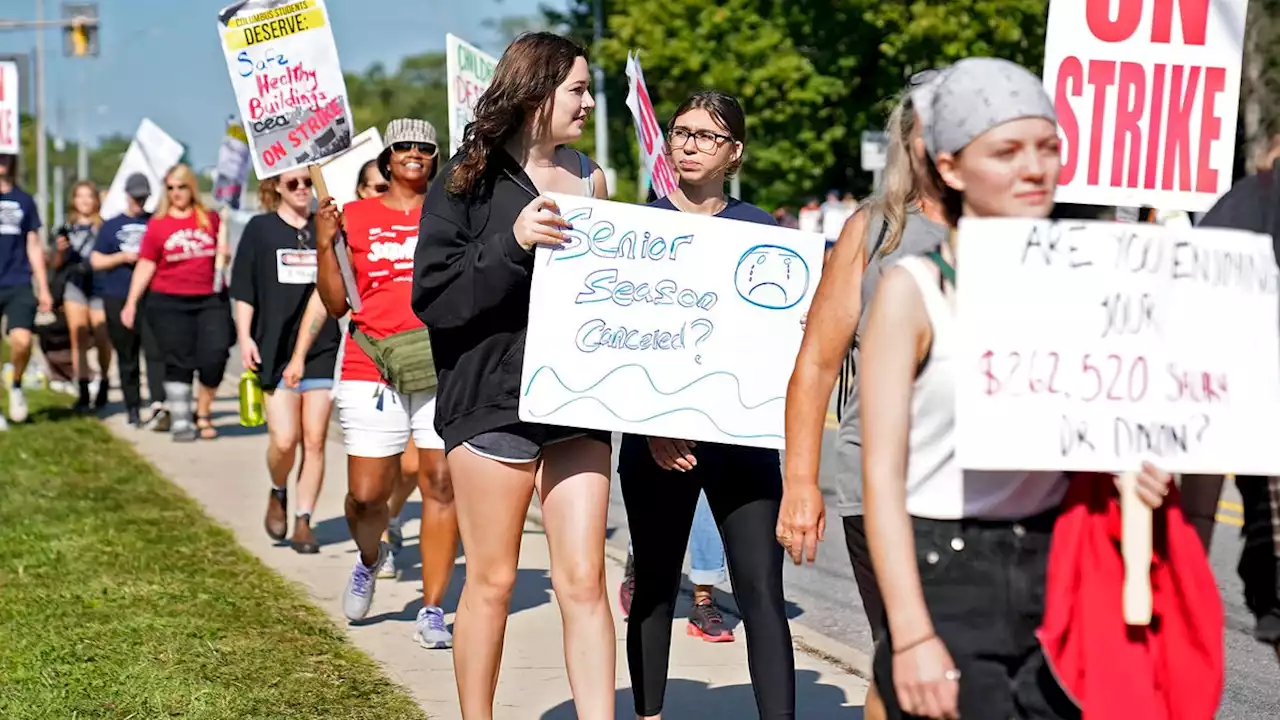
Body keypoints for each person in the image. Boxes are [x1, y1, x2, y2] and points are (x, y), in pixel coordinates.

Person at [854, 57, 1184, 720]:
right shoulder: (911, 291)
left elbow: (1095, 427)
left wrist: (1136, 469)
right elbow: (881, 481)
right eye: (1005, 151)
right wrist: (912, 633)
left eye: (1048, 148)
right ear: (949, 167)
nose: (1033, 168)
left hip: (1063, 575)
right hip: (947, 572)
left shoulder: (1088, 284)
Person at [412, 32, 614, 719]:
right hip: (492, 401)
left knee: (584, 580)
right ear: (536, 94)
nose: (590, 102)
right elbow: (436, 297)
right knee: (493, 581)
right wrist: (513, 242)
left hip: (577, 402)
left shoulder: (593, 177)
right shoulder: (466, 178)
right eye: (578, 89)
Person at [778, 69, 950, 720]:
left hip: (980, 483)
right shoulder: (872, 230)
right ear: (908, 138)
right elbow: (817, 364)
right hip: (880, 480)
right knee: (905, 648)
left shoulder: (1011, 230)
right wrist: (800, 483)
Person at [618, 89, 795, 719]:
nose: (691, 145)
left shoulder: (761, 231)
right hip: (656, 447)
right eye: (682, 132)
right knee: (656, 591)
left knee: (760, 594)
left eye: (708, 136)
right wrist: (649, 430)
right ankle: (649, 712)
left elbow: (773, 344)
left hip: (741, 445)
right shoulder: (636, 230)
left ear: (734, 152)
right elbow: (621, 347)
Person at [314, 118, 457, 650]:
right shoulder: (352, 215)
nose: (414, 154)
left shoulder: (451, 213)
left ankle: (434, 607)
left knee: (440, 484)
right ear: (387, 157)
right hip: (370, 363)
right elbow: (334, 304)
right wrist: (325, 243)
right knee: (365, 495)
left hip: (441, 364)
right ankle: (370, 559)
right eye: (405, 147)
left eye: (425, 147)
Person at [231, 167, 341, 554]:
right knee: (284, 439)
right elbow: (243, 289)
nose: (300, 189)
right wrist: (245, 337)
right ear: (275, 185)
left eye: (307, 182)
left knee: (314, 439)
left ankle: (303, 521)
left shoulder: (324, 227)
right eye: (292, 183)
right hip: (273, 348)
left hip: (320, 348)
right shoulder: (259, 230)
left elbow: (333, 288)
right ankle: (278, 489)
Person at [121, 163, 231, 443]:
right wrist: (131, 302)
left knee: (215, 355)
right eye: (170, 188)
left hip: (210, 298)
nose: (176, 193)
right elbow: (146, 264)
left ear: (191, 187)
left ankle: (203, 412)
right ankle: (182, 418)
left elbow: (221, 255)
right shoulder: (158, 224)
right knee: (178, 360)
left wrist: (224, 255)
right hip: (168, 301)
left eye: (181, 187)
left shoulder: (210, 218)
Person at [91, 173, 166, 427]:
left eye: (143, 197)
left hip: (152, 297)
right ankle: (132, 407)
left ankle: (158, 404)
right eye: (135, 197)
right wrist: (122, 258)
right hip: (117, 296)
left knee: (155, 353)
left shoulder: (155, 222)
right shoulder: (111, 225)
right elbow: (96, 260)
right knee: (127, 356)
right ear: (127, 195)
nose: (139, 202)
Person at [0, 153, 53, 429]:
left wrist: (43, 287)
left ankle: (16, 383)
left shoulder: (24, 201)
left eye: (5, 157)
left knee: (21, 341)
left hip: (18, 281)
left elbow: (33, 245)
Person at [52, 180, 112, 412]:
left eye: (89, 196)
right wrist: (59, 251)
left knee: (101, 336)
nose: (85, 201)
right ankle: (84, 389)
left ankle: (105, 380)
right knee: (78, 338)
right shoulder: (66, 228)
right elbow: (55, 264)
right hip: (75, 284)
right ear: (74, 200)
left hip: (99, 284)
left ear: (96, 200)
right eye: (80, 196)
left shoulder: (104, 227)